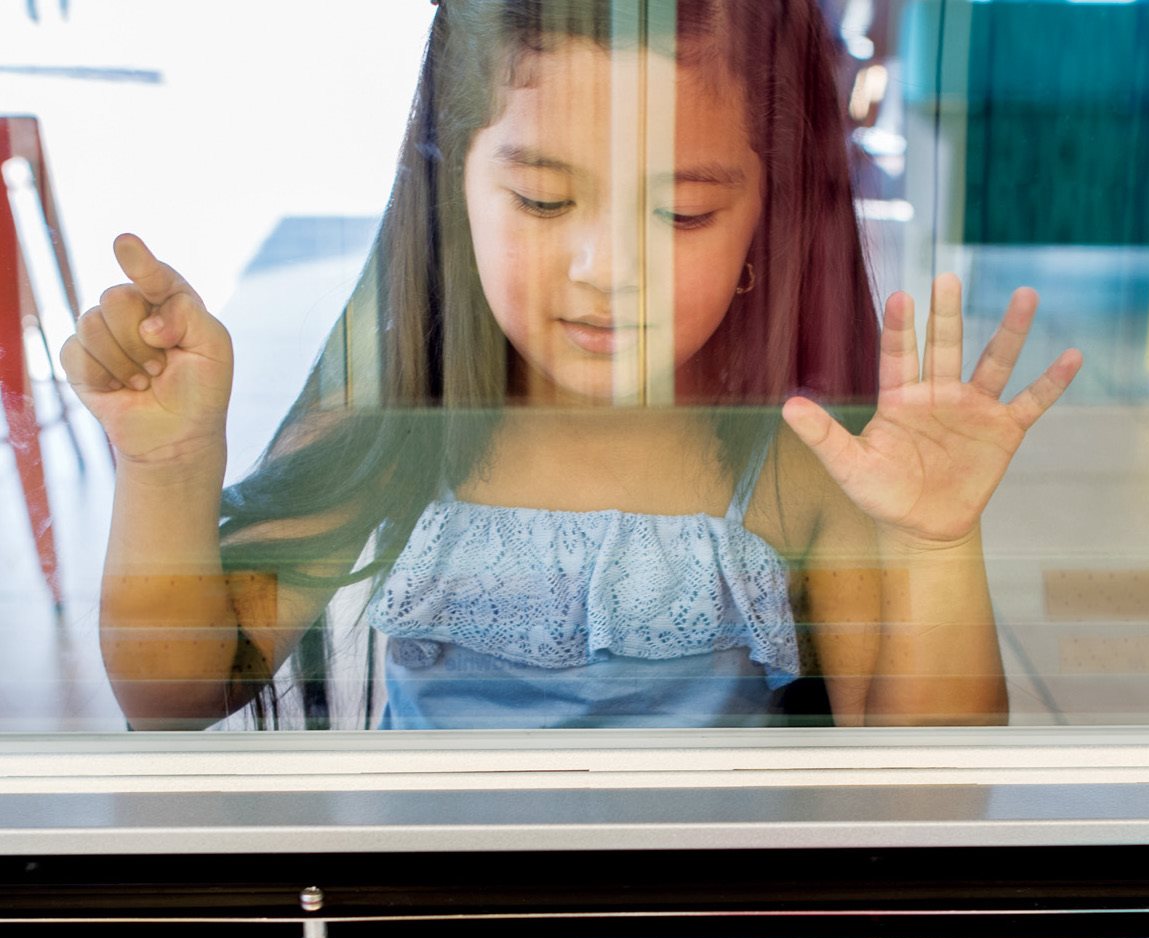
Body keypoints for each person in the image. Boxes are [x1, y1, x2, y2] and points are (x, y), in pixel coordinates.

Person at [61, 0, 1080, 730]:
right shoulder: (396, 427)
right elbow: (177, 695)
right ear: (451, 191)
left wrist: (937, 543)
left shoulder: (800, 464)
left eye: (680, 213)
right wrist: (167, 468)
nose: (605, 271)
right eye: (544, 202)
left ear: (768, 217)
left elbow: (924, 790)